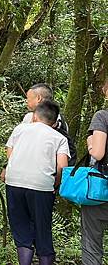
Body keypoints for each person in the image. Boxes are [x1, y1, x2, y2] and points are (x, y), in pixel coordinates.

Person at [5, 100, 69, 265]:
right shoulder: (59, 137)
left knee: (21, 230)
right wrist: (55, 184)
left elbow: (10, 153)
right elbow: (62, 166)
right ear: (55, 123)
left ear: (34, 116)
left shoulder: (20, 129)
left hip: (14, 182)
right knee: (43, 231)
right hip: (41, 186)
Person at [82, 79, 108, 265]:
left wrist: (90, 143)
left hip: (101, 189)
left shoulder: (103, 117)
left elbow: (98, 154)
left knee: (92, 242)